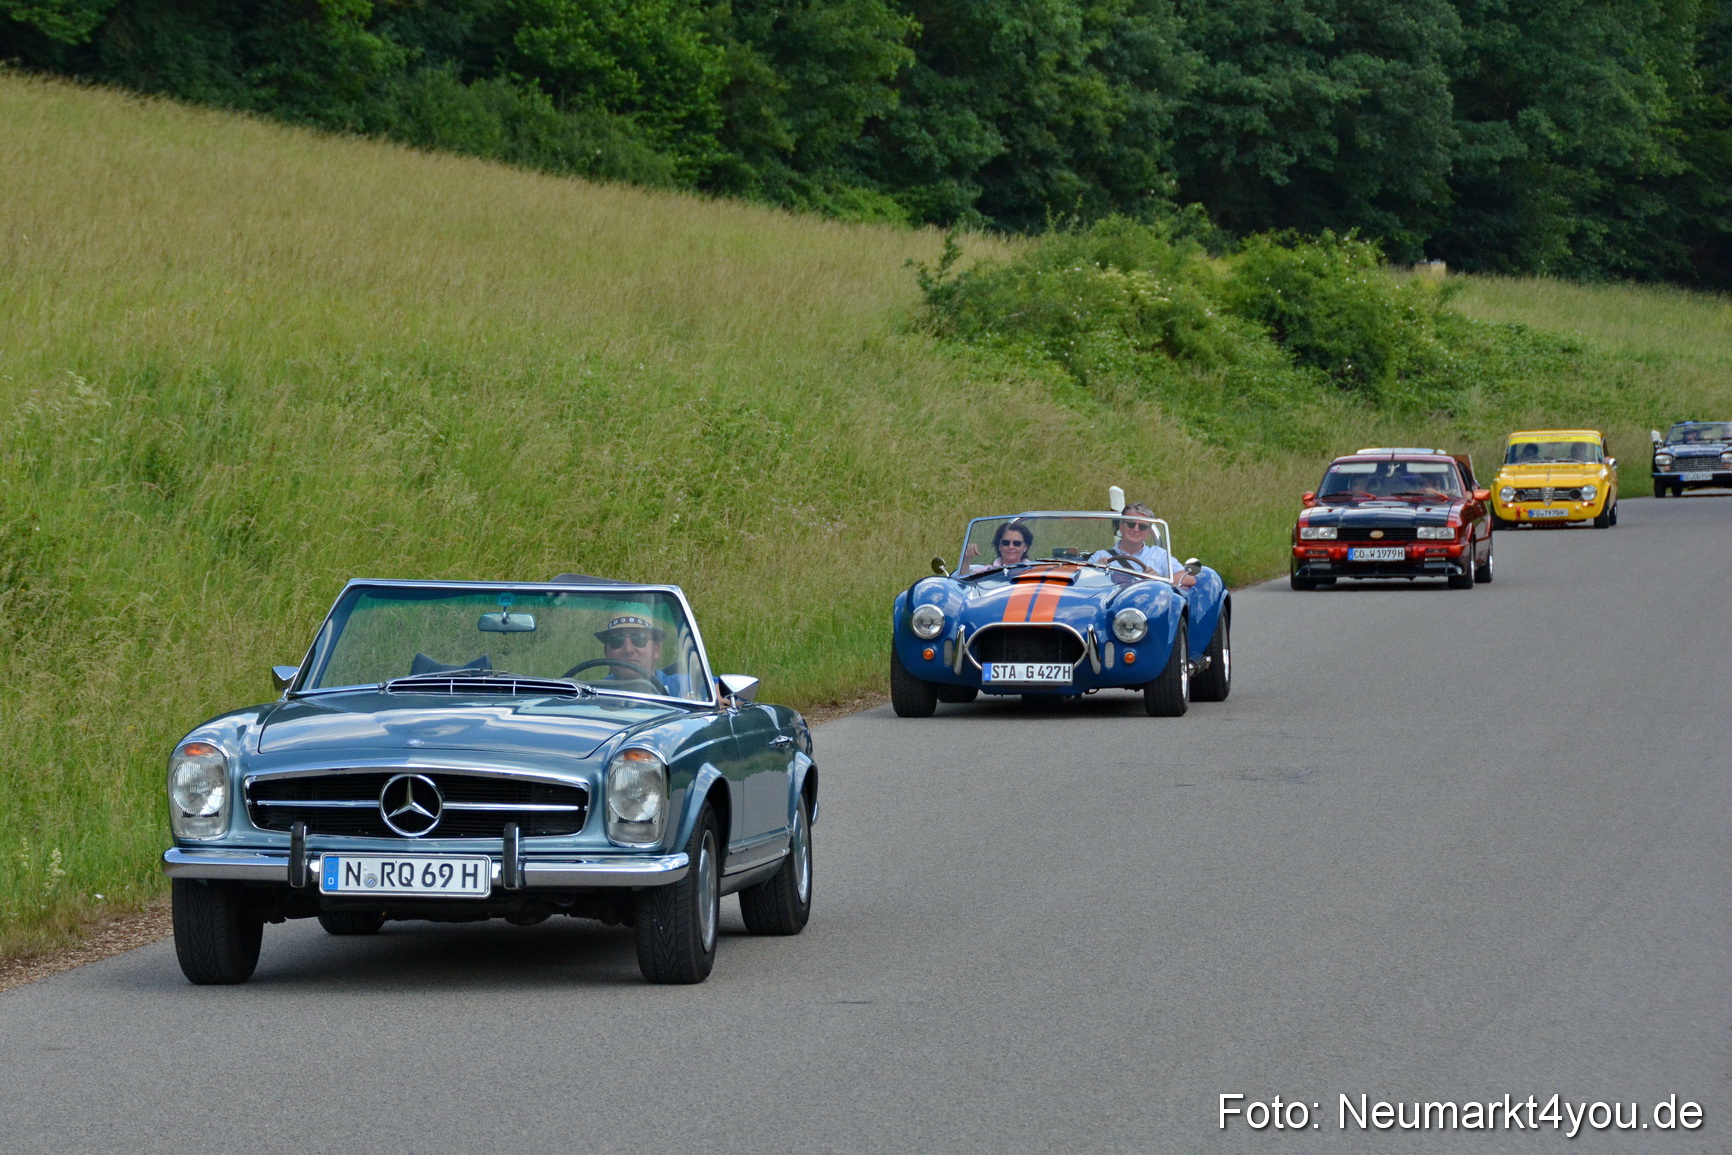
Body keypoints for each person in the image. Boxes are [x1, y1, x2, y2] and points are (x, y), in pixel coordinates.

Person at [1090, 502, 1195, 588]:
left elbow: (1188, 577)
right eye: (1131, 524)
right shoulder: (1100, 556)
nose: (1136, 529)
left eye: (1142, 527)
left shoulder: (1159, 554)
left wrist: (1159, 579)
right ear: (1121, 526)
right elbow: (1080, 583)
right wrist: (1097, 571)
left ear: (1148, 532)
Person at [592, 614, 691, 696]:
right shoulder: (594, 694)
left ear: (656, 650)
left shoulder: (685, 687)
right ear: (606, 653)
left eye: (639, 638)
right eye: (617, 640)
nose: (628, 649)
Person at [962, 520, 1035, 574]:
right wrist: (966, 557)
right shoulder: (985, 572)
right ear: (999, 546)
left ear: (1025, 547)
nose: (1011, 547)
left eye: (1017, 543)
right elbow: (964, 586)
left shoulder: (1036, 571)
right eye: (1005, 543)